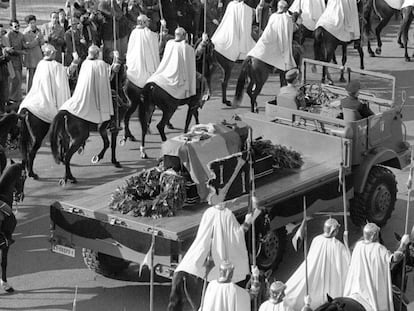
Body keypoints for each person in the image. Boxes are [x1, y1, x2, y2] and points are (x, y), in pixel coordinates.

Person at [175, 200, 260, 283]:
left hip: (208, 252)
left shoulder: (208, 212)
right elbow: (238, 235)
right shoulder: (228, 214)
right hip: (221, 256)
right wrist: (248, 222)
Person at [284, 218, 351, 310]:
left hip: (315, 276)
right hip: (332, 278)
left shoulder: (317, 239)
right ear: (334, 231)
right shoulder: (338, 245)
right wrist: (346, 244)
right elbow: (348, 262)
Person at [343, 223, 410, 311]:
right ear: (374, 235)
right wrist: (403, 245)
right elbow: (394, 259)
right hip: (371, 290)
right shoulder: (379, 248)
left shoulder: (358, 246)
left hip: (356, 287)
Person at [59, 45, 120, 128]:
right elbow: (114, 70)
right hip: (96, 94)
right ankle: (112, 123)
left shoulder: (85, 63)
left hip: (86, 93)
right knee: (114, 97)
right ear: (97, 54)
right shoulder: (101, 64)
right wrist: (116, 57)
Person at [18, 44, 75, 123]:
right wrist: (75, 62)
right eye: (54, 53)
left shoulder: (41, 64)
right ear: (52, 53)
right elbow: (68, 72)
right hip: (51, 100)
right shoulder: (57, 66)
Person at [248, 1, 296, 77]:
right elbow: (291, 30)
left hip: (269, 38)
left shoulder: (273, 16)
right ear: (285, 9)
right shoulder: (287, 19)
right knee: (289, 55)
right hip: (279, 41)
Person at [147, 27, 196, 100]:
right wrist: (203, 42)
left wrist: (162, 32)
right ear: (184, 35)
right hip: (178, 74)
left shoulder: (169, 44)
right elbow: (196, 54)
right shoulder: (186, 48)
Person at [126, 14, 160, 89]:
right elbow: (155, 38)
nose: (148, 23)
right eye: (147, 21)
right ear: (143, 22)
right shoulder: (148, 33)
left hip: (137, 61)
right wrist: (163, 28)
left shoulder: (134, 32)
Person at [6, 19, 27, 109]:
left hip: (19, 61)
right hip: (11, 60)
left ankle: (17, 97)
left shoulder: (21, 35)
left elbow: (24, 45)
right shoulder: (8, 36)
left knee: (19, 79)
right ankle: (12, 97)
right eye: (15, 26)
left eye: (18, 26)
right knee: (15, 78)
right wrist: (20, 52)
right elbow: (10, 49)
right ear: (11, 27)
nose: (17, 28)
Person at [23, 15, 44, 93]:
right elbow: (28, 45)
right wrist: (37, 39)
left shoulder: (38, 30)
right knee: (30, 75)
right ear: (28, 24)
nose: (33, 24)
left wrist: (41, 40)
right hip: (30, 56)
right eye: (31, 23)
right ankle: (29, 92)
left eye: (34, 22)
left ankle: (37, 92)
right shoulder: (25, 33)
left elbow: (42, 42)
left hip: (38, 55)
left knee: (38, 75)